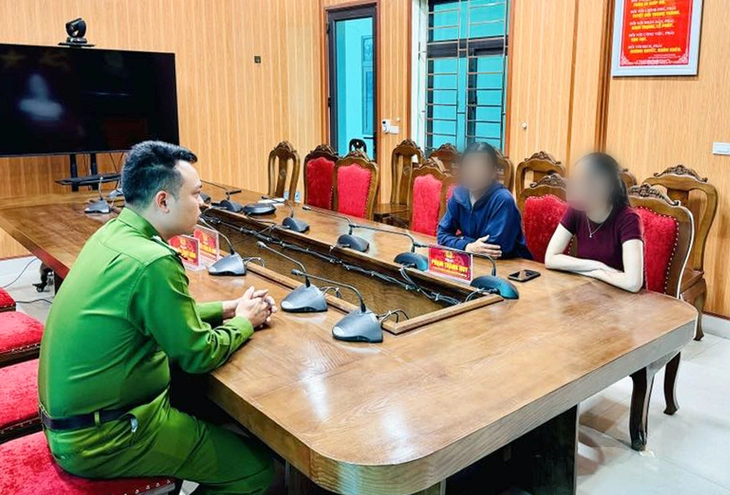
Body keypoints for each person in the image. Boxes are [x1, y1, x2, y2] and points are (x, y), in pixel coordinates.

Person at [38, 141, 277, 494]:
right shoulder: (153, 261)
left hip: (75, 422)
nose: (203, 203)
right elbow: (198, 354)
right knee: (254, 470)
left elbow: (149, 315)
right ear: (163, 201)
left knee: (201, 404)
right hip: (105, 438)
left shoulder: (114, 234)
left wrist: (227, 308)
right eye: (196, 194)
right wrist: (245, 322)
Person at [544, 152, 644, 293]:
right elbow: (550, 258)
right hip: (587, 291)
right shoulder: (576, 209)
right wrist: (596, 266)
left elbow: (633, 283)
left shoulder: (628, 219)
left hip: (622, 298)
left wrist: (596, 273)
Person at [437, 142, 531, 259]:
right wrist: (467, 246)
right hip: (473, 261)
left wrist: (460, 239)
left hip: (508, 265)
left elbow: (492, 249)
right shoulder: (459, 195)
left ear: (493, 172)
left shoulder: (503, 200)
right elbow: (442, 235)